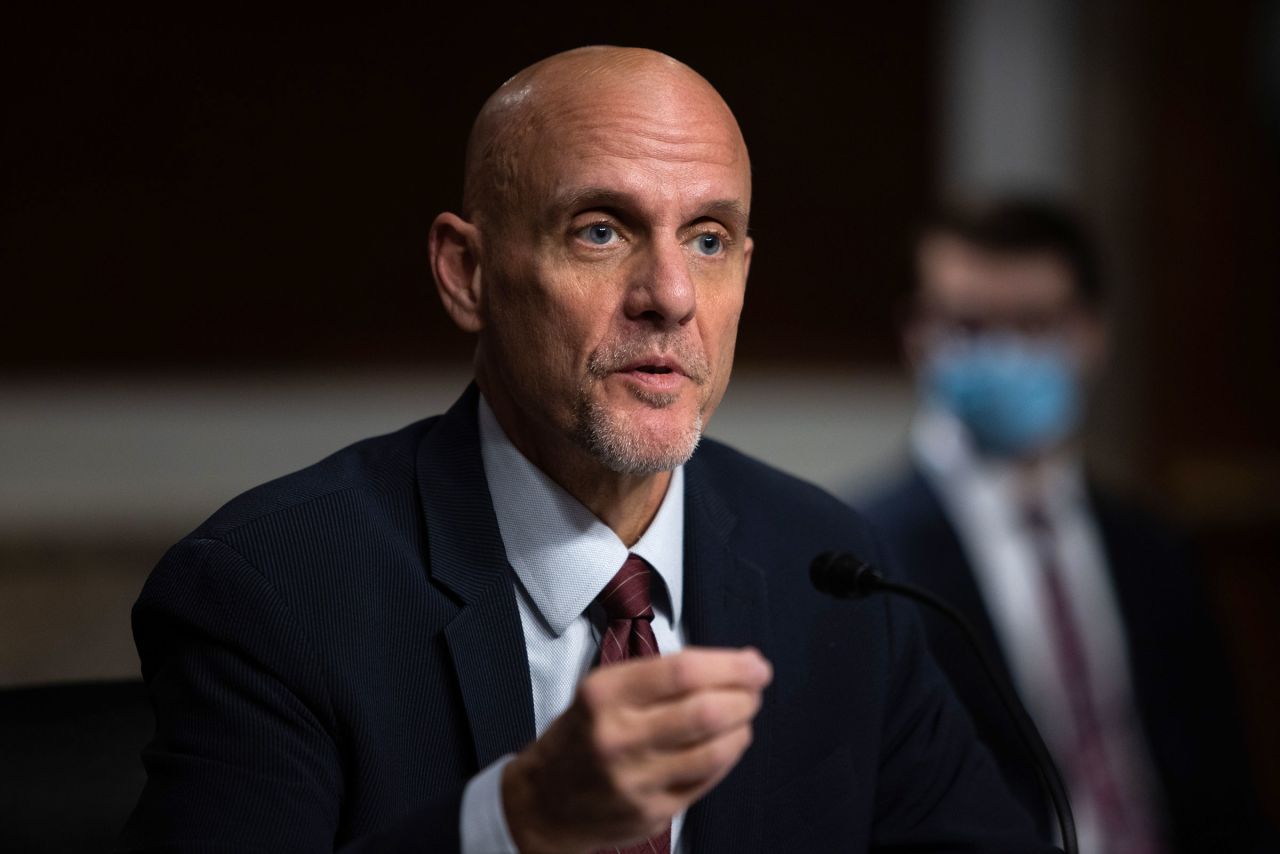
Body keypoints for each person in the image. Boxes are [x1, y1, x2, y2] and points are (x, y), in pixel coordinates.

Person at [119, 48, 1055, 853]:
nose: (670, 295)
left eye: (709, 239)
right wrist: (515, 823)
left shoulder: (830, 570)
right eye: (601, 231)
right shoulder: (271, 587)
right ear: (468, 275)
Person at [854, 198, 1276, 853]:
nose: (1002, 353)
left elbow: (1220, 787)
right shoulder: (862, 558)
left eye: (1033, 325)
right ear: (916, 335)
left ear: (1092, 332)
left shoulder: (1153, 545)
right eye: (969, 325)